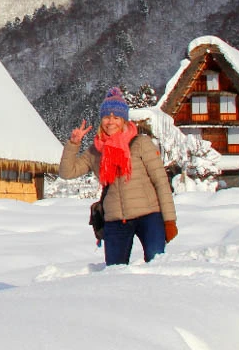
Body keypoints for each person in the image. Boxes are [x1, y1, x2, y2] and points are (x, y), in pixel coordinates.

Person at [59, 87, 178, 265]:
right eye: (107, 117)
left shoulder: (141, 143)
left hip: (149, 215)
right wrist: (73, 144)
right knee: (114, 272)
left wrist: (169, 220)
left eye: (116, 117)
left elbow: (161, 182)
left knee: (157, 265)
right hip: (115, 219)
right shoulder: (96, 152)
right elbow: (67, 172)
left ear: (123, 120)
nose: (111, 122)